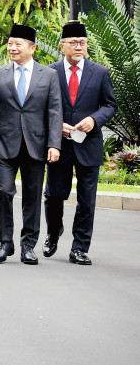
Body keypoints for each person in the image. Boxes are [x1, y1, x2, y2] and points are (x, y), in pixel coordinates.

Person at [0, 24, 62, 265]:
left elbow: (54, 112)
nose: (12, 48)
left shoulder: (48, 75)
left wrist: (54, 144)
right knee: (4, 191)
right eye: (10, 44)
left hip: (36, 145)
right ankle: (4, 242)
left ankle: (28, 245)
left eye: (18, 44)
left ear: (32, 48)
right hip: (5, 145)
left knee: (32, 196)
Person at [43, 23, 117, 265]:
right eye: (73, 42)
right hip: (59, 144)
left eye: (82, 42)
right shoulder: (49, 73)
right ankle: (53, 232)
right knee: (54, 195)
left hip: (89, 144)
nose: (78, 47)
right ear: (62, 45)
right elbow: (41, 107)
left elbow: (109, 105)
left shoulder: (100, 73)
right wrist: (56, 125)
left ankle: (79, 248)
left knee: (87, 199)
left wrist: (94, 119)